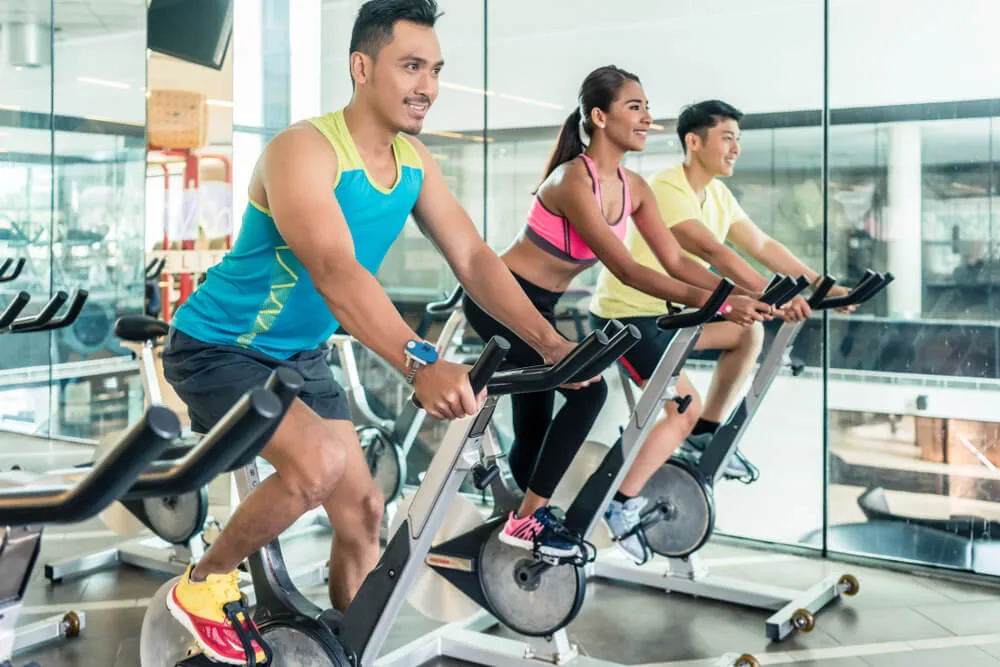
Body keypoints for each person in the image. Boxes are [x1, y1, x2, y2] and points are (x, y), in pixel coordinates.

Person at [158, 1, 592, 663]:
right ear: (362, 67)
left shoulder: (413, 163)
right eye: (411, 65)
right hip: (220, 347)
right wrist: (420, 363)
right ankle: (204, 581)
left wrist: (549, 341)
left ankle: (341, 647)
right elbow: (334, 269)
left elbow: (475, 258)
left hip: (298, 354)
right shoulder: (302, 150)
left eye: (436, 69)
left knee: (364, 513)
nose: (428, 85)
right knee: (318, 468)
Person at [461, 68, 773, 564]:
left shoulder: (636, 187)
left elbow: (676, 262)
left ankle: (515, 519)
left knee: (536, 431)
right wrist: (720, 304)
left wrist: (736, 293)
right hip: (497, 299)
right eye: (635, 107)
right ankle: (526, 520)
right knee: (590, 388)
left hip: (539, 307)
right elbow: (626, 270)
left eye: (648, 107)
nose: (647, 117)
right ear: (600, 117)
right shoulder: (571, 180)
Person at [589, 99, 856, 564]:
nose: (735, 148)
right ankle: (619, 502)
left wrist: (820, 285)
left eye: (738, 140)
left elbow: (761, 245)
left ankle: (704, 433)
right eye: (727, 138)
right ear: (694, 142)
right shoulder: (668, 187)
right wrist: (772, 295)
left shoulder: (716, 195)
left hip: (672, 318)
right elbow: (713, 250)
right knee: (681, 409)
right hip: (628, 321)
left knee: (745, 334)